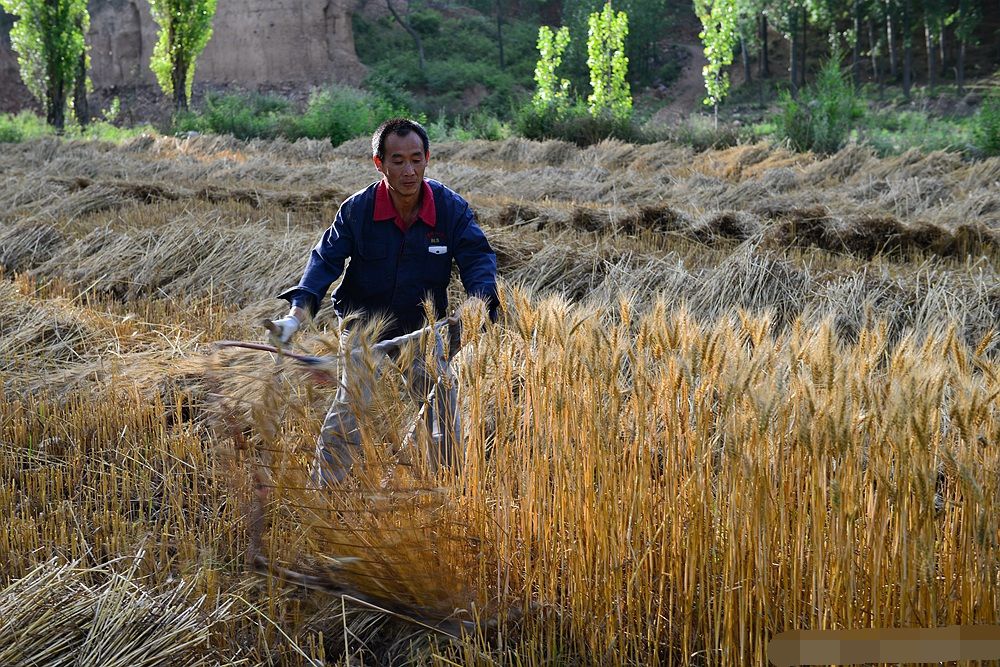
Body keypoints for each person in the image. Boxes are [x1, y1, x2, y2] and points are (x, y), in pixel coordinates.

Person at [271, 117, 499, 485]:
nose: (408, 170)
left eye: (416, 159)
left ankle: (442, 490)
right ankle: (326, 492)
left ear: (427, 158)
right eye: (397, 161)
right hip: (364, 328)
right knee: (350, 408)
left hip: (422, 327)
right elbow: (324, 262)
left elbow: (478, 259)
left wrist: (478, 303)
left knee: (442, 407)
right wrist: (295, 317)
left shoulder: (450, 209)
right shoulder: (358, 210)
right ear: (379, 163)